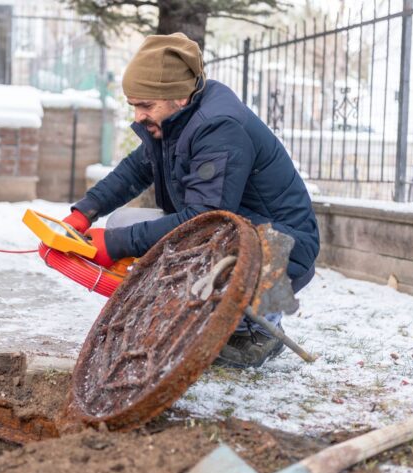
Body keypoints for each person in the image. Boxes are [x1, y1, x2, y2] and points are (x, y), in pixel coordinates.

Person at [62, 32, 320, 369]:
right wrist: (85, 212)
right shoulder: (172, 121)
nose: (138, 115)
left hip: (282, 248)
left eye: (145, 105)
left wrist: (116, 244)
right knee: (122, 223)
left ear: (179, 97)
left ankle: (258, 330)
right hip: (235, 230)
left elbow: (205, 218)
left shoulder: (219, 127)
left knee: (135, 238)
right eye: (134, 105)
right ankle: (217, 318)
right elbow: (133, 171)